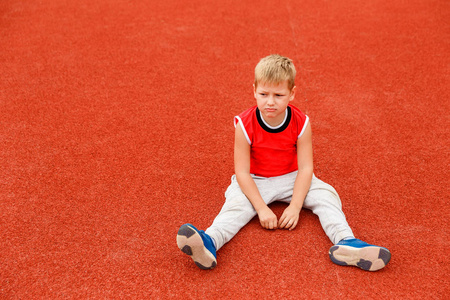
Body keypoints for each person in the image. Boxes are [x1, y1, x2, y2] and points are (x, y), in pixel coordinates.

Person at [176, 54, 391, 271]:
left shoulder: (301, 122)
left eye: (279, 95)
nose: (270, 101)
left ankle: (347, 241)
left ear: (292, 93)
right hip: (254, 179)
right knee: (236, 207)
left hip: (293, 177)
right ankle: (210, 241)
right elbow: (241, 172)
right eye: (263, 94)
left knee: (327, 196)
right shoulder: (244, 124)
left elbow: (307, 168)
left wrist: (295, 206)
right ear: (254, 91)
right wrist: (261, 209)